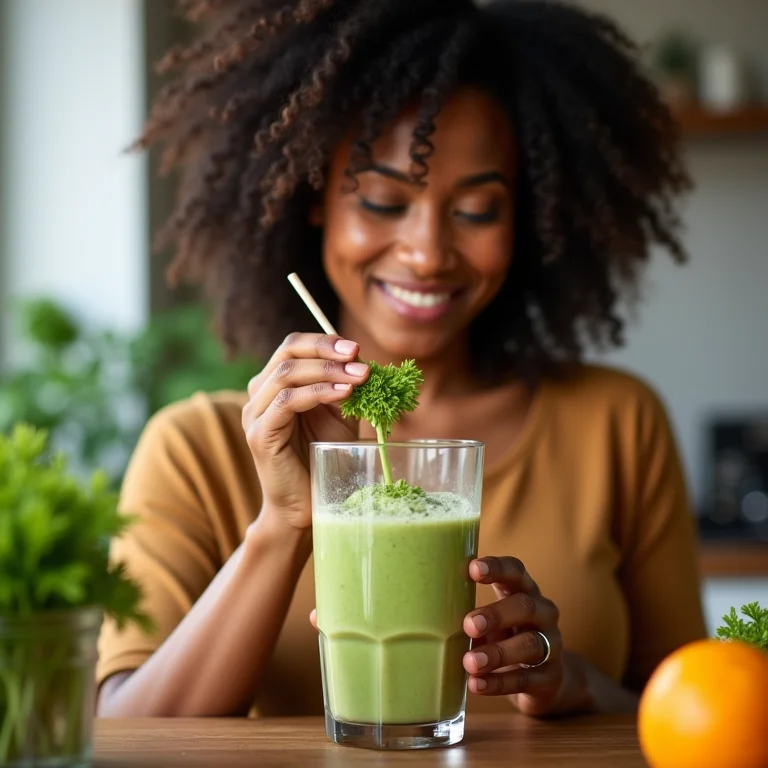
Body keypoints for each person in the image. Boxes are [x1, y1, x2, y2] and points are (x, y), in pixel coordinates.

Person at [96, 0, 707, 720]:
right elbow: (126, 737)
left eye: (477, 210)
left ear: (529, 218)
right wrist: (285, 523)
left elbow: (696, 712)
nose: (427, 253)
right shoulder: (195, 449)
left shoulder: (617, 424)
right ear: (314, 197)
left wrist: (570, 682)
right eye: (384, 201)